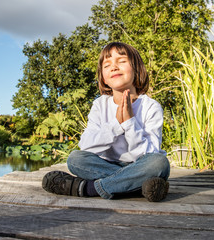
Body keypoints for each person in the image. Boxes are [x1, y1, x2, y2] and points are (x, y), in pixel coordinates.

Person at [42, 42, 170, 202]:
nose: (114, 67)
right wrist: (116, 124)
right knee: (75, 159)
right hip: (106, 165)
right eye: (107, 64)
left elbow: (149, 154)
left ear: (137, 68)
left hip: (141, 166)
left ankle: (88, 189)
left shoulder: (151, 107)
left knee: (159, 164)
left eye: (122, 61)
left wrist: (130, 122)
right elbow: (86, 146)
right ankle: (136, 187)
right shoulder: (100, 105)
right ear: (103, 77)